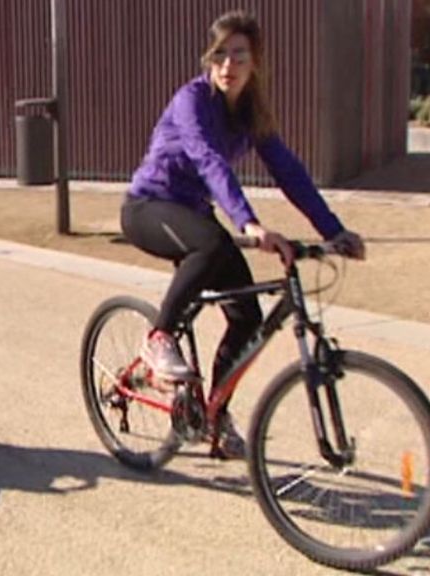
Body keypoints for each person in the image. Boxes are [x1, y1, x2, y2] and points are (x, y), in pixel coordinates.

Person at [120, 11, 365, 459]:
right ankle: (159, 338)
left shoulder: (251, 114)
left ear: (255, 64)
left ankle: (214, 416)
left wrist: (334, 231)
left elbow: (289, 172)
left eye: (239, 55)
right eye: (220, 55)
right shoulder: (192, 100)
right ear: (208, 59)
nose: (228, 65)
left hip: (194, 214)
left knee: (248, 318)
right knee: (212, 244)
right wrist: (248, 223)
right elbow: (208, 160)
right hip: (149, 206)